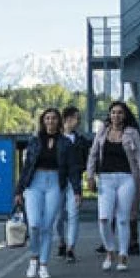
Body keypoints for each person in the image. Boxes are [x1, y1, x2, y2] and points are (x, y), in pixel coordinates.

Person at [85, 100, 140, 272]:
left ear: (125, 115)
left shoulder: (132, 133)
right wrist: (90, 176)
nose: (116, 115)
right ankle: (110, 250)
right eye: (113, 112)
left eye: (120, 112)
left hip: (127, 179)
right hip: (105, 179)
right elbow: (93, 154)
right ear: (109, 115)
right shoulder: (103, 132)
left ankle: (123, 255)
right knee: (104, 219)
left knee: (122, 218)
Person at [13, 108, 69, 278]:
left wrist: (77, 191)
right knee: (35, 224)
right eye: (47, 118)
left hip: (54, 182)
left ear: (58, 122)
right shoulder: (35, 141)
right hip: (35, 182)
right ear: (43, 121)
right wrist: (19, 190)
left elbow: (72, 167)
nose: (50, 121)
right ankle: (33, 258)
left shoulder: (65, 142)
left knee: (47, 226)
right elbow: (27, 166)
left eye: (53, 119)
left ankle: (43, 264)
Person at [55, 105, 86, 263]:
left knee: (73, 215)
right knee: (58, 216)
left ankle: (70, 249)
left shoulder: (80, 140)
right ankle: (61, 241)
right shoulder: (56, 140)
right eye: (77, 118)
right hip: (57, 181)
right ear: (68, 119)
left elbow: (85, 160)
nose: (79, 121)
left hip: (75, 180)